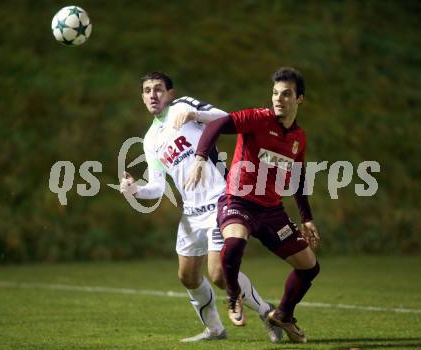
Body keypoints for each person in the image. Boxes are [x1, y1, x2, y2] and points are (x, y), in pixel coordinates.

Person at [119, 71, 282, 343]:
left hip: (220, 201)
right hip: (191, 213)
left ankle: (268, 313)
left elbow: (227, 119)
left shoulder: (183, 106)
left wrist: (196, 116)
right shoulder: (150, 139)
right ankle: (215, 330)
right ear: (142, 97)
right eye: (147, 90)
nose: (153, 95)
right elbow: (158, 186)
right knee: (188, 277)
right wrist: (135, 190)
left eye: (158, 89)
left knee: (219, 274)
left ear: (169, 93)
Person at [184, 67, 320, 343]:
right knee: (234, 244)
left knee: (310, 266)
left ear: (300, 99)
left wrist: (306, 219)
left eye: (286, 94)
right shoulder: (257, 119)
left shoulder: (298, 139)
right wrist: (199, 158)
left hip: (272, 212)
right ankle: (234, 295)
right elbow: (216, 126)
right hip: (238, 202)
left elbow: (298, 177)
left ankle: (283, 314)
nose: (278, 99)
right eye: (275, 93)